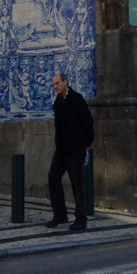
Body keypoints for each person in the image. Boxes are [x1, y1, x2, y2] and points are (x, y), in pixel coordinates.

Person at [46, 72, 94, 232]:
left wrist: (87, 143)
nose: (55, 86)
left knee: (77, 184)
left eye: (57, 83)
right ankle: (60, 215)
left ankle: (81, 219)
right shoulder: (57, 102)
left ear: (66, 82)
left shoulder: (77, 99)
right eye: (53, 84)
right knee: (53, 178)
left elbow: (88, 122)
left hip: (76, 148)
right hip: (61, 149)